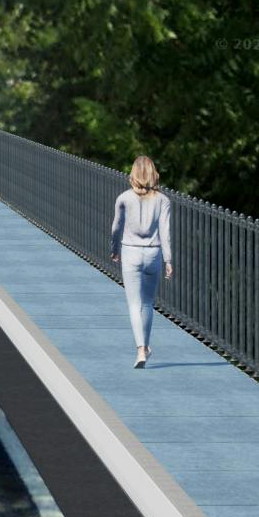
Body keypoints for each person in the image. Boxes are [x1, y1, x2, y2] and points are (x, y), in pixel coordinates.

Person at [109, 153, 173, 368]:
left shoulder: (124, 198)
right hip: (153, 253)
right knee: (147, 303)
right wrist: (168, 260)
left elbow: (116, 228)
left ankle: (140, 350)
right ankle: (145, 345)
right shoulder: (163, 200)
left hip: (131, 252)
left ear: (133, 174)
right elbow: (165, 231)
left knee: (134, 303)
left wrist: (114, 249)